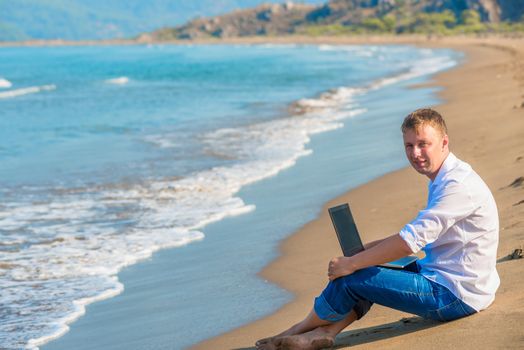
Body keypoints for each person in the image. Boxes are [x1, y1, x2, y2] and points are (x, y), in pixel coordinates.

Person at [256, 108, 499, 350]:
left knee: (354, 276)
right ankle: (324, 333)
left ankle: (296, 330)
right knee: (368, 264)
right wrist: (365, 250)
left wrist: (352, 263)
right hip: (454, 278)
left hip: (455, 296)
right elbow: (418, 238)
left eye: (423, 144)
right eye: (409, 146)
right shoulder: (448, 176)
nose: (415, 153)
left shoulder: (456, 186)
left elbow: (408, 242)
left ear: (444, 142)